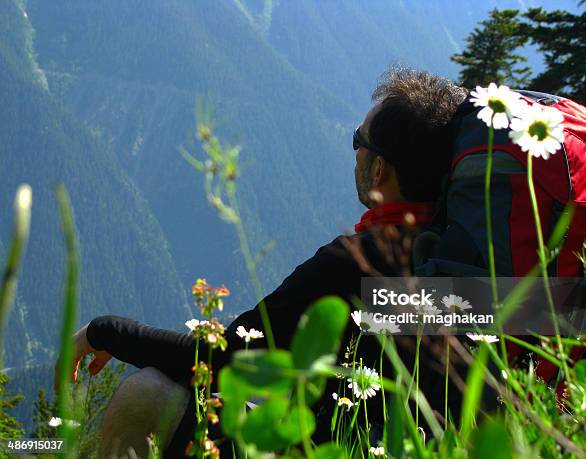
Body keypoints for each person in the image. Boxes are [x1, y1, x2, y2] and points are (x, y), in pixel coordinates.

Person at [58, 68, 468, 458]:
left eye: (357, 140)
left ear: (379, 169)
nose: (355, 151)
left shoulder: (355, 263)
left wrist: (105, 331)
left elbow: (228, 359)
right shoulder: (461, 258)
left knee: (145, 394)